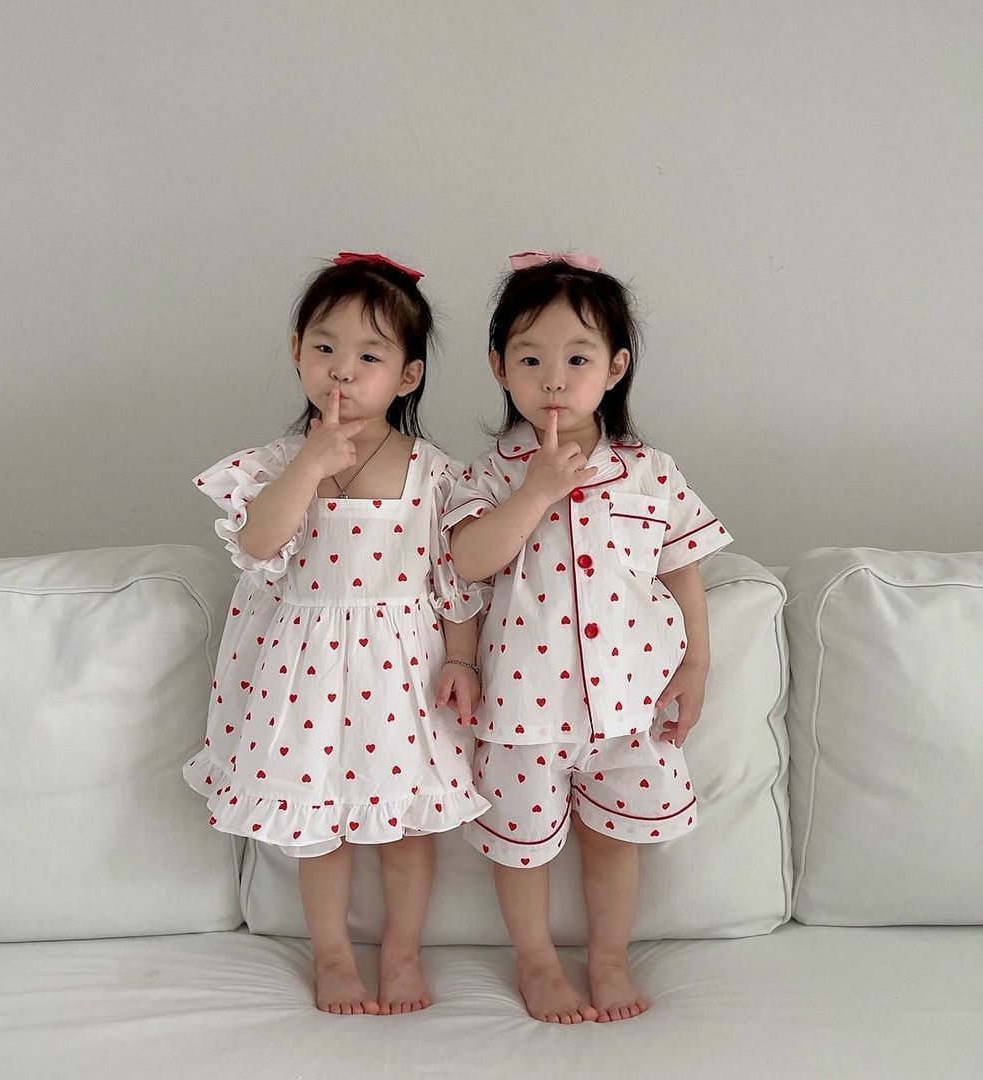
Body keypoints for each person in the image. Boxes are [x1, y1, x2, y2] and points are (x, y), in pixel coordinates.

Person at [184, 252, 488, 1015]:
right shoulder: (275, 464)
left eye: (368, 356)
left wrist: (460, 658)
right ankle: (331, 957)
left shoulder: (434, 472)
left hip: (403, 675)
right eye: (325, 347)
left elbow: (456, 579)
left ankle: (402, 951)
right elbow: (258, 543)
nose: (342, 370)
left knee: (407, 827)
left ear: (407, 376)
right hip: (305, 677)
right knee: (321, 826)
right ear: (297, 351)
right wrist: (311, 462)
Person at [444, 251, 733, 1024]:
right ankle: (537, 963)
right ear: (499, 367)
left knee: (615, 841)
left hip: (630, 705)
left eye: (578, 358)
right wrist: (537, 491)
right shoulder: (487, 474)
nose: (555, 379)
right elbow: (467, 562)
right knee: (522, 845)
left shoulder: (649, 471)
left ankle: (609, 958)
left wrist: (698, 663)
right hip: (523, 710)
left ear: (615, 367)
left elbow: (682, 569)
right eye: (531, 358)